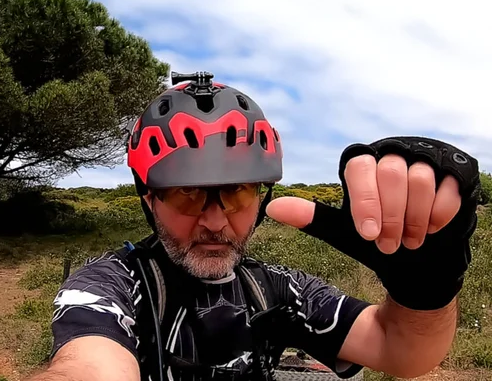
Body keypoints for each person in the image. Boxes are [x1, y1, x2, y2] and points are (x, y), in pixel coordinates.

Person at [29, 72, 480, 381]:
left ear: (261, 197)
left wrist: (424, 296)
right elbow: (87, 365)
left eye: (238, 192)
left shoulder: (276, 290)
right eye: (185, 193)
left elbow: (403, 352)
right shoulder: (109, 286)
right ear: (150, 200)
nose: (213, 219)